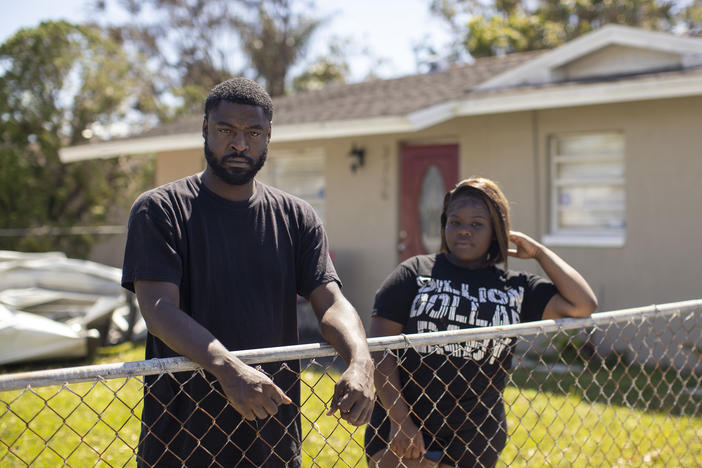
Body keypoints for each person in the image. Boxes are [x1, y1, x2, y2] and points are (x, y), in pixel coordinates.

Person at [121, 77, 374, 467]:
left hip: (271, 438)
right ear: (205, 130)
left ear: (268, 136)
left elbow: (331, 300)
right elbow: (157, 310)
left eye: (253, 132)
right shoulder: (161, 210)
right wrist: (229, 370)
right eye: (226, 130)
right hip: (181, 440)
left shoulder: (296, 217)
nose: (240, 143)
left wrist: (360, 360)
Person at [364, 177, 598, 467]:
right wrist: (400, 420)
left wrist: (537, 252)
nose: (464, 230)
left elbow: (582, 303)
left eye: (477, 224)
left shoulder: (514, 287)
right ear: (444, 224)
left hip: (475, 435)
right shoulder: (414, 272)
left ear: (496, 231)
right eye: (455, 222)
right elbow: (378, 349)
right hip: (405, 423)